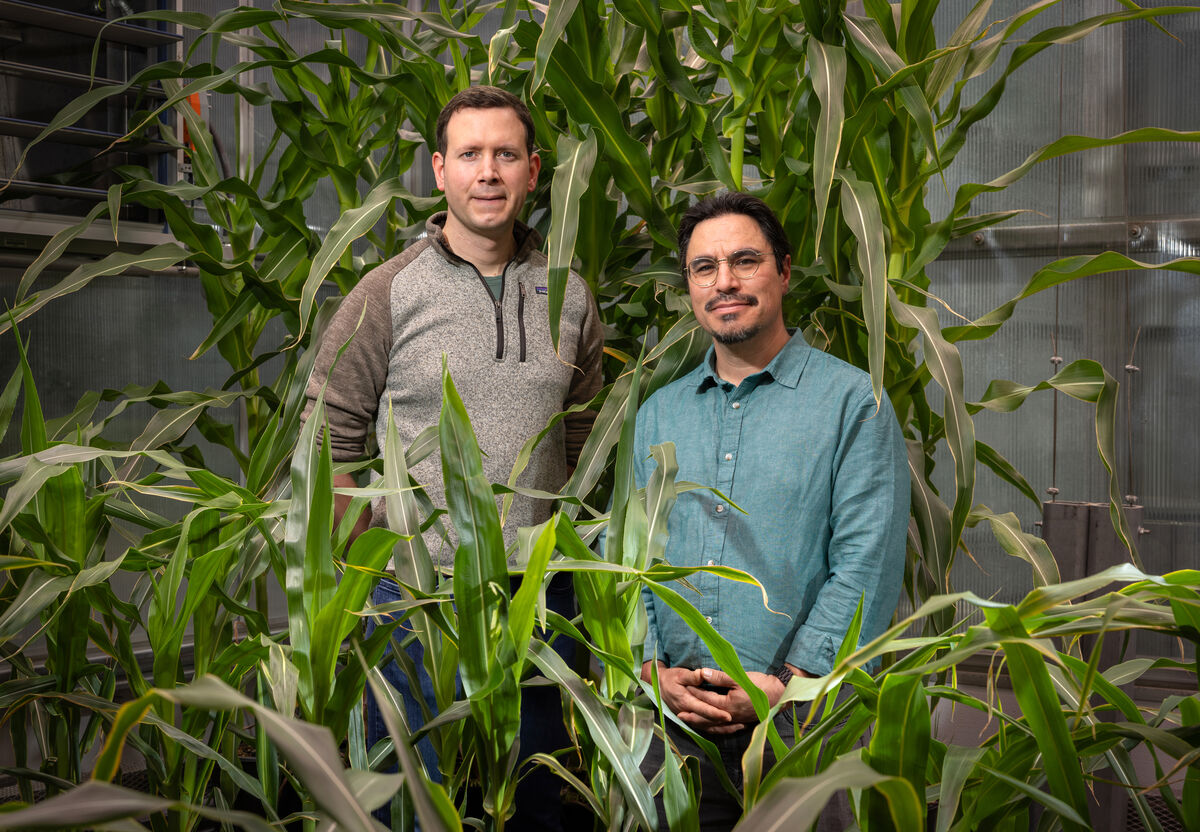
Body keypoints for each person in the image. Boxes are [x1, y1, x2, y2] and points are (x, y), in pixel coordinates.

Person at [301, 86, 603, 830]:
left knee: (532, 799)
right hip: (416, 603)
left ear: (533, 171)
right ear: (440, 171)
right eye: (469, 154)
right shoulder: (390, 290)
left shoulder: (569, 295)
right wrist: (367, 573)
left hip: (537, 598)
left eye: (506, 154)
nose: (488, 171)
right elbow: (326, 436)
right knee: (418, 805)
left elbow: (584, 434)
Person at [633, 191, 909, 830]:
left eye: (745, 261)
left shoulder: (851, 403)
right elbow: (631, 556)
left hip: (800, 731)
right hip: (673, 735)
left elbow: (867, 564)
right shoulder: (658, 413)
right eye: (705, 268)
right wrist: (652, 672)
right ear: (689, 286)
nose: (724, 282)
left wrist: (789, 682)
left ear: (784, 271)